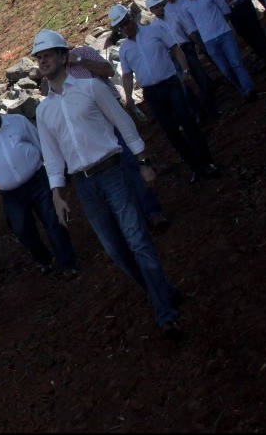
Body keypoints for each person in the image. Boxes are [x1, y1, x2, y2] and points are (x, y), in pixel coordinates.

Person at [32, 29, 184, 338]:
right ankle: (162, 292)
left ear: (64, 57)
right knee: (116, 250)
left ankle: (165, 313)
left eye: (48, 54)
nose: (43, 60)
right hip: (84, 186)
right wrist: (57, 194)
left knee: (138, 240)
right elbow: (51, 156)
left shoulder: (90, 88)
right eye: (39, 57)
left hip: (113, 172)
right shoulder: (43, 110)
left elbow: (124, 124)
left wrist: (142, 162)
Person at [62, 38, 169, 232]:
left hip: (110, 115)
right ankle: (135, 221)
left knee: (130, 161)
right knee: (111, 173)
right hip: (90, 127)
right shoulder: (59, 75)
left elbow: (108, 71)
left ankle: (152, 212)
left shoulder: (84, 52)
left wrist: (78, 60)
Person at [0, 94, 79, 278]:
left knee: (52, 221)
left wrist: (59, 171)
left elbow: (41, 144)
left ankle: (68, 263)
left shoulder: (18, 122)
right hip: (12, 194)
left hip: (37, 180)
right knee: (22, 230)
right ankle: (44, 259)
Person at [109, 3, 219, 183]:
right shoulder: (124, 49)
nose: (126, 27)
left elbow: (176, 49)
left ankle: (207, 161)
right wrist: (128, 98)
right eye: (121, 26)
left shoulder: (155, 30)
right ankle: (195, 167)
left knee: (187, 121)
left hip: (170, 83)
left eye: (127, 22)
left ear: (131, 19)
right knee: (171, 132)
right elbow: (127, 75)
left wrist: (185, 71)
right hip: (151, 93)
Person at [177, 0, 257, 101]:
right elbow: (192, 27)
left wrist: (220, 25)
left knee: (236, 63)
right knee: (225, 69)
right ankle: (241, 89)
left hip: (224, 34)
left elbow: (225, 10)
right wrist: (198, 42)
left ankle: (249, 89)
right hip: (208, 40)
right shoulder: (186, 6)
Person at [149, 0, 220, 121]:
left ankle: (212, 106)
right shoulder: (153, 28)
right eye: (156, 7)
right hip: (173, 56)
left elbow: (189, 30)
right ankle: (199, 113)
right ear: (151, 10)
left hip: (186, 48)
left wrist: (197, 43)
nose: (159, 8)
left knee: (201, 77)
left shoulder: (174, 16)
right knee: (184, 85)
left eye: (160, 5)